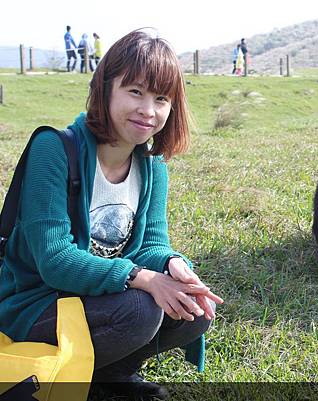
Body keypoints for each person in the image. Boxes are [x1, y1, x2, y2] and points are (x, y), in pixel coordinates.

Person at [0, 29, 223, 400]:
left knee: (194, 309)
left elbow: (152, 242)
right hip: (35, 301)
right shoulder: (53, 149)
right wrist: (142, 277)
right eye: (135, 91)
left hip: (95, 296)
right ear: (105, 88)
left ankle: (109, 376)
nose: (148, 111)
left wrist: (171, 265)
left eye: (161, 98)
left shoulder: (151, 165)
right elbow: (55, 260)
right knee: (140, 310)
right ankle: (74, 375)